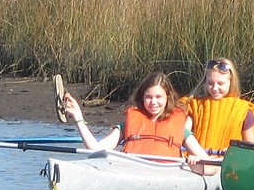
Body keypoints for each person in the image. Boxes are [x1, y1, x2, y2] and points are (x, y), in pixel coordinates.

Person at [62, 71, 217, 174]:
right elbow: (95, 149)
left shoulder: (180, 129)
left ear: (168, 98)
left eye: (159, 97)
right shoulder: (128, 125)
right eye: (148, 97)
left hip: (167, 174)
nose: (153, 102)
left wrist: (196, 163)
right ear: (142, 97)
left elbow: (211, 168)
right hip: (133, 173)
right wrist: (78, 118)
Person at [184, 58, 254, 156]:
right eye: (210, 83)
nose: (215, 88)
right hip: (199, 163)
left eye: (220, 84)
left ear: (231, 82)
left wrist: (235, 152)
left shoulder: (243, 111)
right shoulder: (195, 106)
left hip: (229, 165)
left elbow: (252, 149)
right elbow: (184, 133)